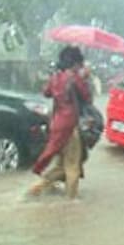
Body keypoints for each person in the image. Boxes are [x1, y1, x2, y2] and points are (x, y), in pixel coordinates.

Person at [27, 46, 91, 200]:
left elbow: (46, 93)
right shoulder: (75, 78)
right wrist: (85, 78)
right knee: (72, 166)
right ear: (75, 63)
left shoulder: (55, 77)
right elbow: (87, 98)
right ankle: (70, 202)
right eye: (79, 64)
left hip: (56, 125)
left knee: (61, 165)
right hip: (70, 127)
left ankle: (33, 191)